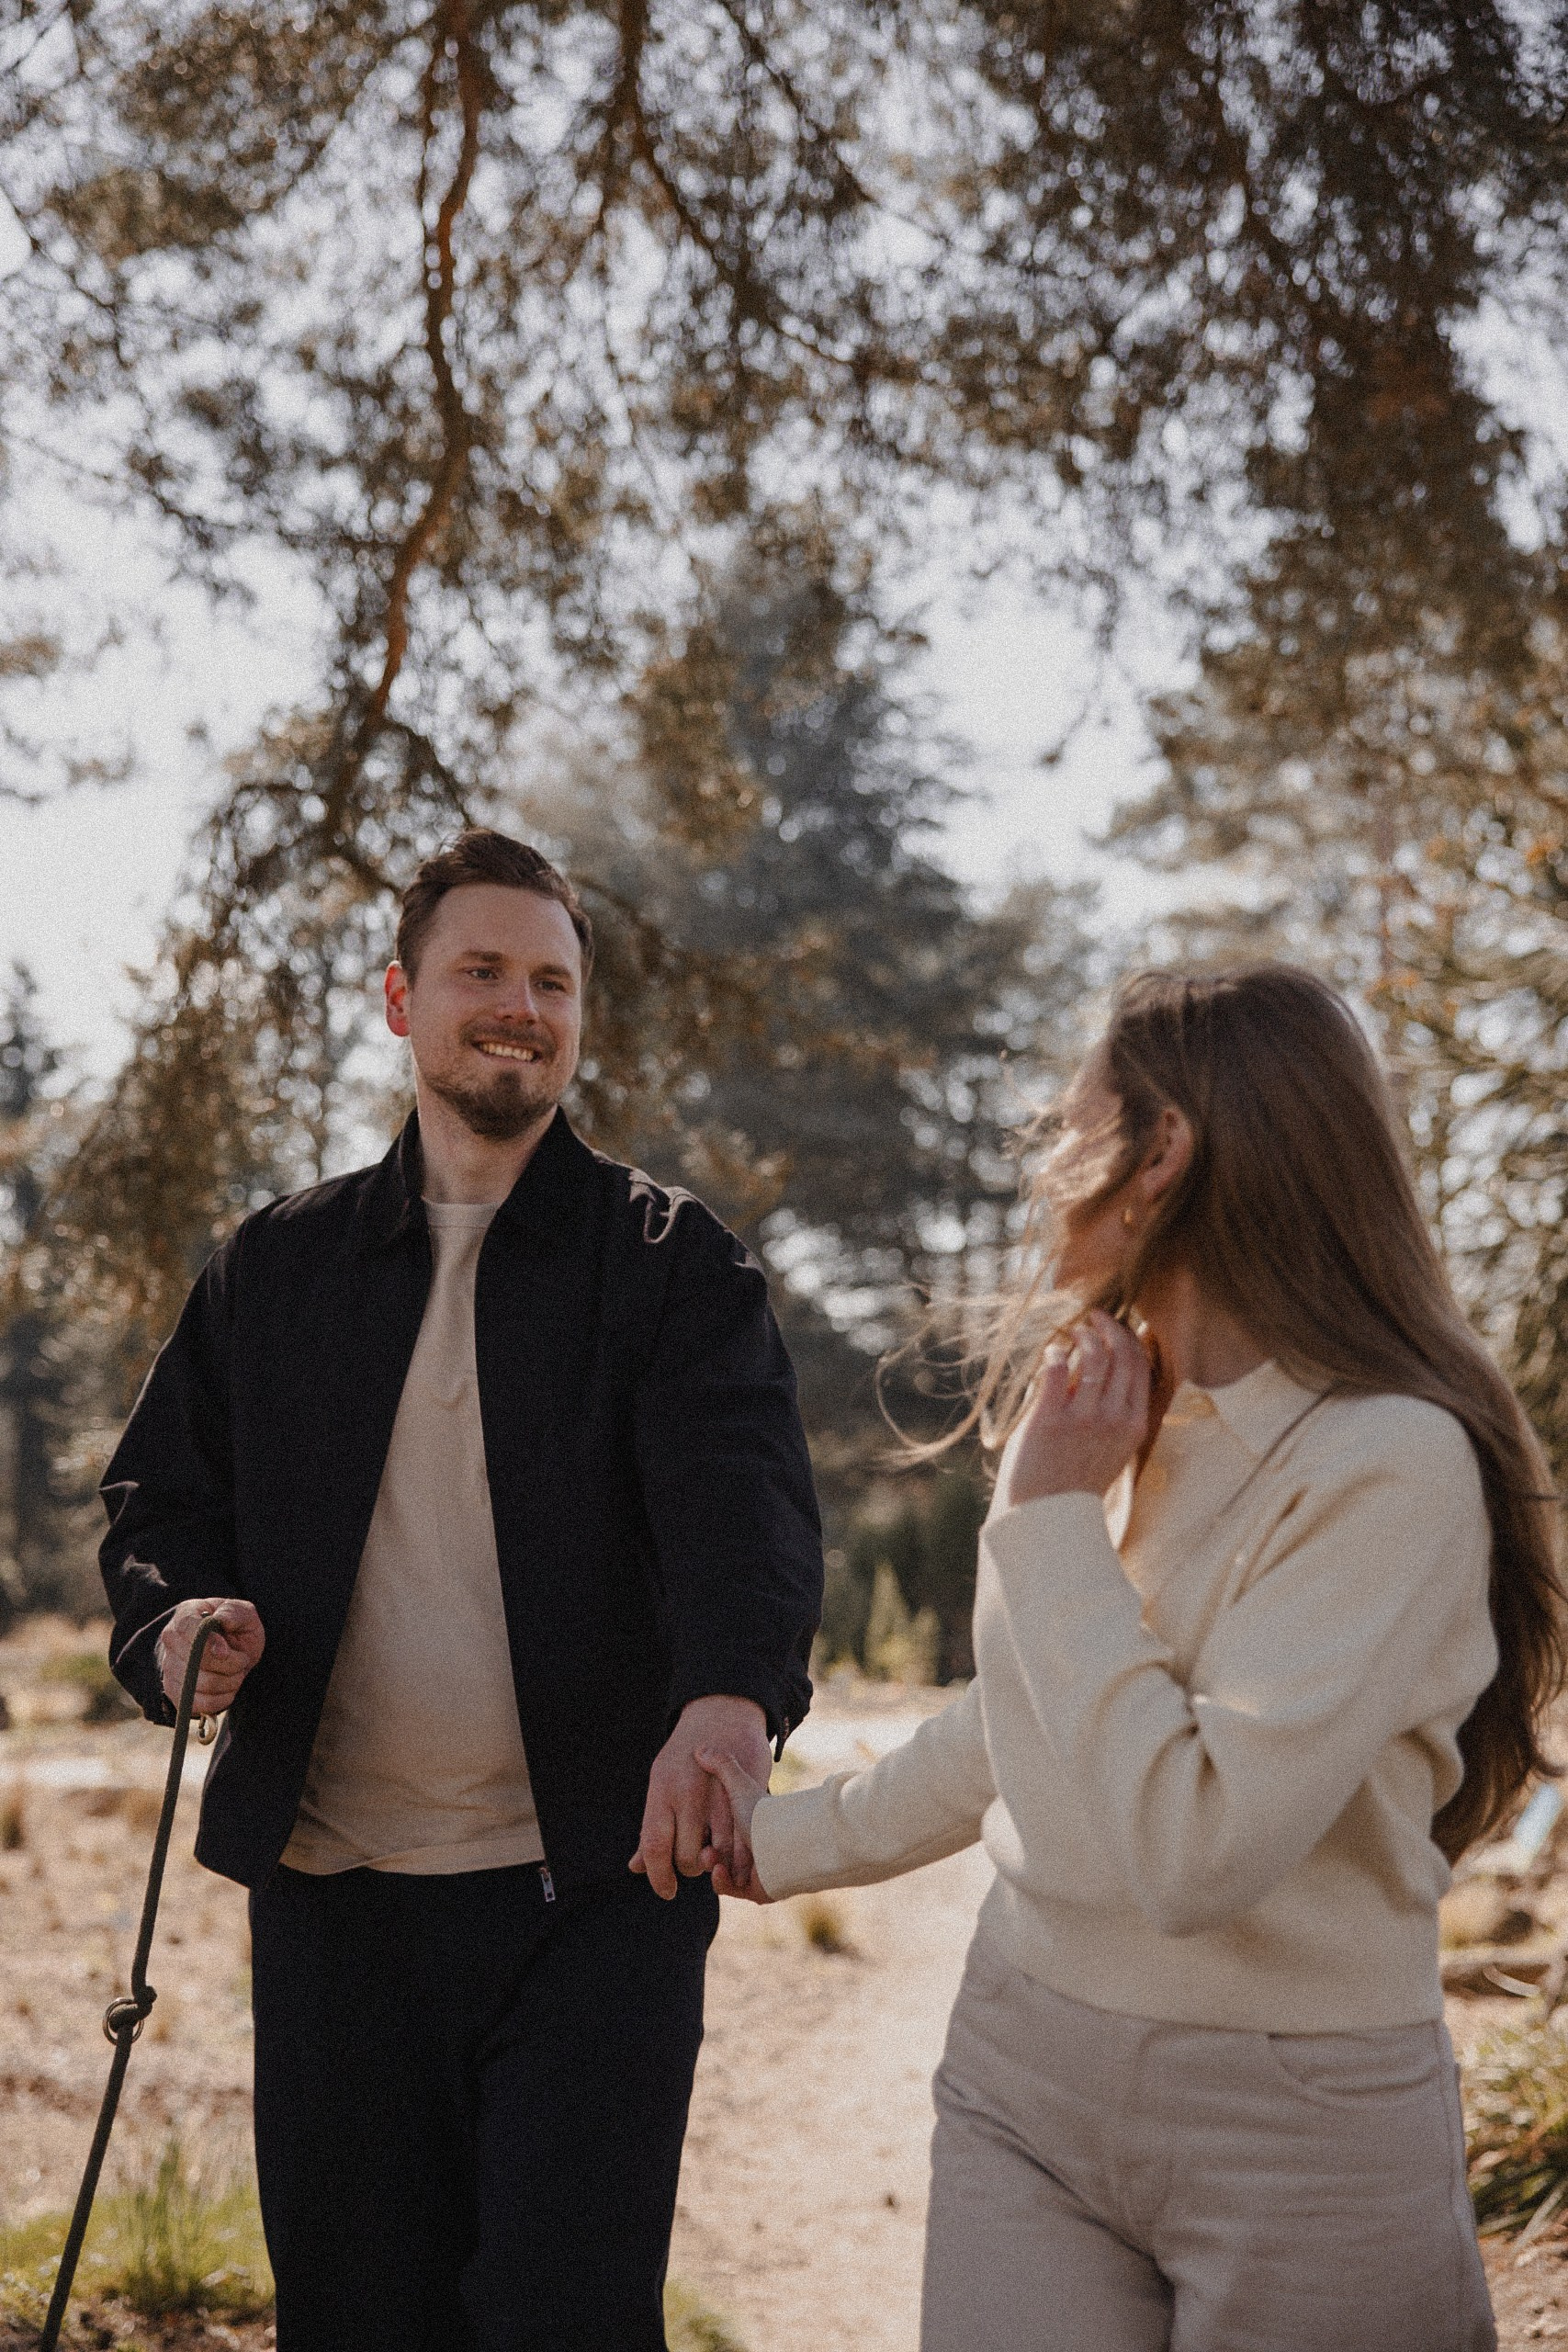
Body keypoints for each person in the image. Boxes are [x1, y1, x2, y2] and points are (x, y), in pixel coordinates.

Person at [703, 964, 1563, 2352]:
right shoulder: (1119, 1409)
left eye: (1072, 1124)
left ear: (1162, 1152)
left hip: (1303, 2133)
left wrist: (1044, 1517)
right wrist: (772, 1843)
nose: (1045, 1161)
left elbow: (1196, 1850)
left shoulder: (1391, 1462)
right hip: (1020, 2074)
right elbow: (1025, 1723)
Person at [99, 827, 824, 2352]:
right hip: (333, 1910)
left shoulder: (671, 1265)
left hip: (599, 1906)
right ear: (399, 1001)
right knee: (358, 2321)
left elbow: (745, 1518)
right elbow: (161, 1501)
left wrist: (729, 1698)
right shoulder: (275, 1268)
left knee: (567, 2319)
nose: (520, 1007)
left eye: (551, 982)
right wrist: (175, 1623)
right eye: (481, 971)